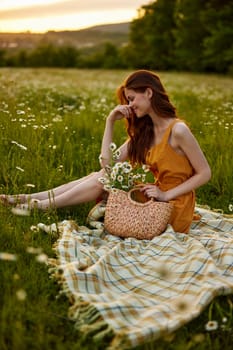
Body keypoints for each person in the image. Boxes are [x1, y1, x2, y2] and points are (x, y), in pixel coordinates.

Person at [0, 70, 211, 233]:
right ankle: (29, 199)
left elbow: (204, 173)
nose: (129, 105)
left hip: (173, 206)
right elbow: (107, 165)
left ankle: (41, 206)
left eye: (131, 98)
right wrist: (109, 122)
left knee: (103, 179)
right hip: (153, 197)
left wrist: (166, 194)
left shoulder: (178, 130)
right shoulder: (146, 133)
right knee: (101, 176)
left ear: (148, 92)